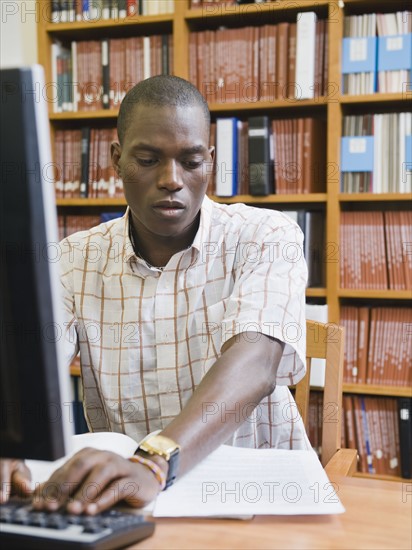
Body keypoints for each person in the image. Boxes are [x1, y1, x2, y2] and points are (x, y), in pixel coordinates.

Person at [0, 75, 310, 514]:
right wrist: (10, 440)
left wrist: (156, 461)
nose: (171, 180)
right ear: (116, 159)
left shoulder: (266, 236)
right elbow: (32, 372)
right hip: (122, 503)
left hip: (257, 500)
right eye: (147, 159)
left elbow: (255, 362)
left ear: (211, 161)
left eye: (191, 161)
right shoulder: (72, 261)